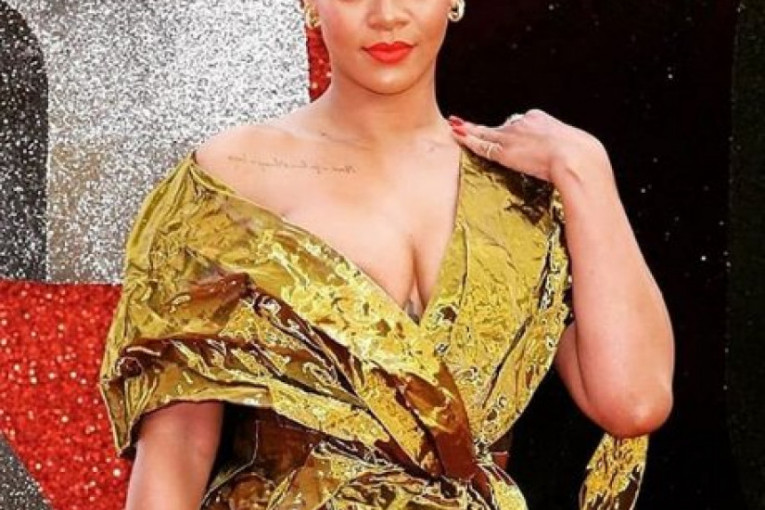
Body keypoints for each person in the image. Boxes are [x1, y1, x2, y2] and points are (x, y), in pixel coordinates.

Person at [98, 0, 675, 508]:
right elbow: (178, 445)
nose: (387, 16)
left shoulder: (523, 194)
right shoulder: (231, 177)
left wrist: (585, 169)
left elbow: (634, 402)